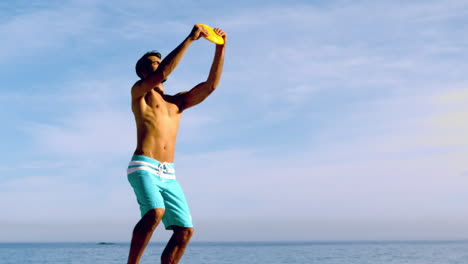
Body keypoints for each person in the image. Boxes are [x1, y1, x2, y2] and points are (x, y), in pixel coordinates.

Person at [126, 25, 226, 264]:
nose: (158, 64)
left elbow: (210, 86)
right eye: (153, 62)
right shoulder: (140, 92)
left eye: (159, 61)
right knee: (155, 213)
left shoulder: (177, 102)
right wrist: (190, 39)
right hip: (143, 166)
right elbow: (161, 75)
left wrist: (220, 48)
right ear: (142, 72)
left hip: (168, 174)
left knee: (185, 230)